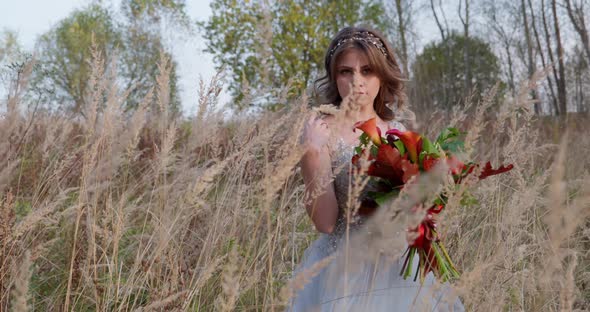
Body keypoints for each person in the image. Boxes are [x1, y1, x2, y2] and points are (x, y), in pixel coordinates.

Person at [289, 26, 465, 311]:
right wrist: (311, 152)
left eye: (367, 70)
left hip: (397, 267)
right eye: (346, 71)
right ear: (335, 76)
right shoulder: (321, 131)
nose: (357, 82)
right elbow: (325, 222)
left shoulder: (397, 131)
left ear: (382, 76)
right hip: (344, 269)